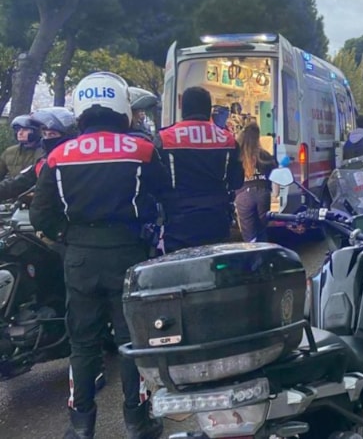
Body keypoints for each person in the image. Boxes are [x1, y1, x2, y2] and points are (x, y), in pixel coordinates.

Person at [30, 71, 168, 439]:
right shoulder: (142, 150)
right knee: (131, 341)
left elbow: (40, 215)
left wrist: (68, 238)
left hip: (79, 258)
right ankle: (137, 421)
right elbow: (162, 195)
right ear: (122, 108)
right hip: (127, 254)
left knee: (83, 343)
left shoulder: (58, 156)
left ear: (81, 110)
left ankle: (81, 425)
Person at [157, 86, 244, 252]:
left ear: (183, 107)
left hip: (179, 224)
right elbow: (236, 181)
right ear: (208, 110)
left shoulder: (165, 138)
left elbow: (156, 181)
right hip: (216, 221)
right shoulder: (227, 139)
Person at [0, 108, 78, 201]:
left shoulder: (77, 161)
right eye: (45, 134)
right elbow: (21, 181)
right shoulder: (45, 162)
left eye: (52, 134)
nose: (47, 139)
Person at [235, 124, 277, 242]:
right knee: (262, 229)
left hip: (243, 195)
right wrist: (275, 194)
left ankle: (252, 253)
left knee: (249, 234)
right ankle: (263, 253)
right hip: (263, 193)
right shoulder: (265, 155)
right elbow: (275, 176)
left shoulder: (238, 156)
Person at [1, 115, 45, 180]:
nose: (20, 133)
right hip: (13, 188)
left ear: (35, 131)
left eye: (25, 130)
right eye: (18, 130)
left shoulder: (45, 152)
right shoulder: (9, 152)